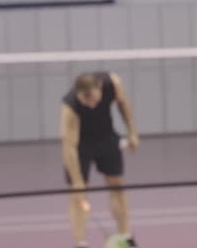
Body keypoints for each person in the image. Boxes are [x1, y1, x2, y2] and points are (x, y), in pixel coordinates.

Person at [60, 71, 140, 248]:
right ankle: (81, 243)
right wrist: (77, 181)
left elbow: (123, 104)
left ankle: (125, 236)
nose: (90, 105)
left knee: (118, 186)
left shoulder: (113, 83)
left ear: (100, 89)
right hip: (81, 145)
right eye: (85, 100)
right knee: (78, 195)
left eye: (94, 99)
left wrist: (132, 132)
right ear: (78, 94)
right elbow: (68, 145)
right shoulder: (70, 106)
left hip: (106, 138)